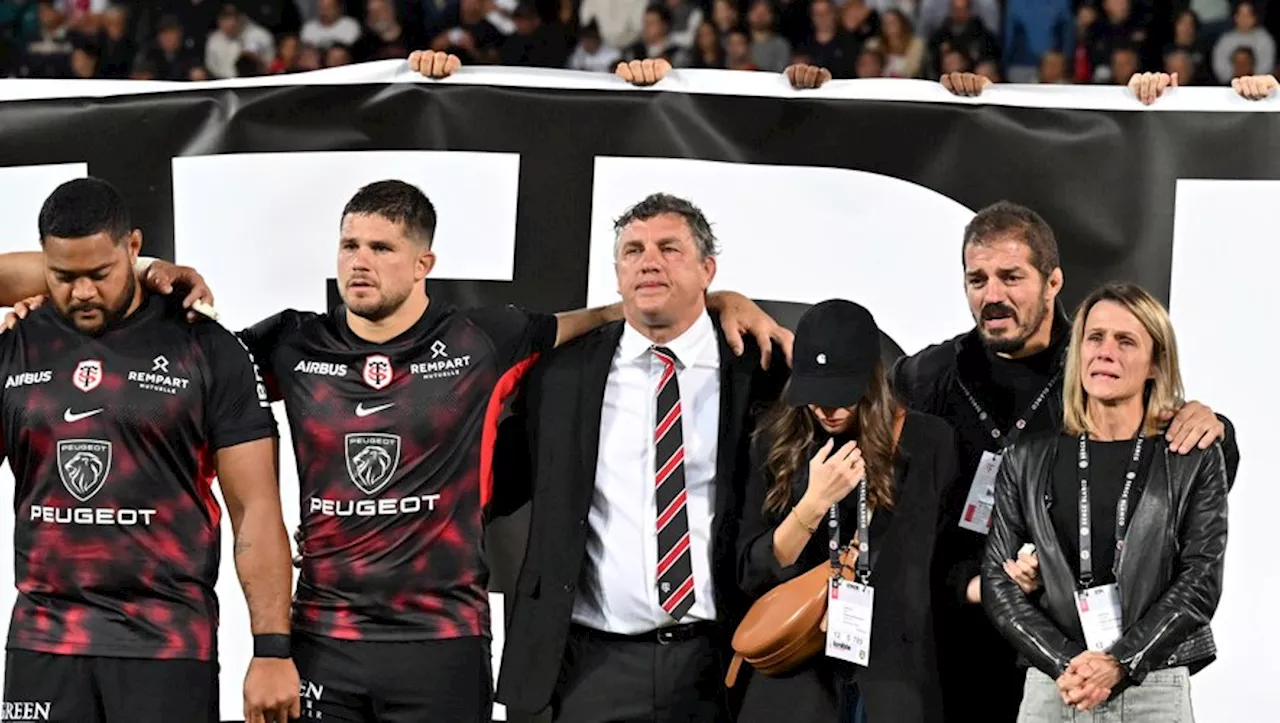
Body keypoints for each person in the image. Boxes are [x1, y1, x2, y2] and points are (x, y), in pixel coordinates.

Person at [2, 178, 788, 722]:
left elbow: (609, 314)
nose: (360, 260)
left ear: (424, 264)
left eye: (381, 246)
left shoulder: (483, 337)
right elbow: (160, 355)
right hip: (323, 639)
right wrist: (138, 270)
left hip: (442, 641)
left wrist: (714, 297)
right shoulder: (286, 344)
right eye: (349, 243)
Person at [888, 202, 1239, 723]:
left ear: (1053, 282)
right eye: (977, 279)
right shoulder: (926, 377)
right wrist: (972, 583)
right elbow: (896, 510)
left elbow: (1185, 489)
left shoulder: (1099, 367)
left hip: (1079, 650)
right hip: (958, 642)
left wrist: (1215, 427)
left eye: (1011, 277)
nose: (993, 296)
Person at [0, 177, 299, 722]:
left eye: (100, 273)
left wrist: (272, 649)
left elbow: (255, 510)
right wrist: (136, 270)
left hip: (166, 645)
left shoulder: (205, 346)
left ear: (133, 246)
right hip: (42, 641)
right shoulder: (17, 343)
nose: (83, 292)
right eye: (64, 277)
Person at [493, 192, 790, 722]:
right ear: (616, 273)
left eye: (669, 248)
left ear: (708, 270)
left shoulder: (762, 370)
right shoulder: (561, 376)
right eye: (632, 251)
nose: (648, 261)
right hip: (587, 666)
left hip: (722, 662)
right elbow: (491, 483)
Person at [983, 281, 1228, 722]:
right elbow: (997, 582)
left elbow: (1202, 579)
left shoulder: (1191, 455)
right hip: (1056, 682)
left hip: (1154, 680)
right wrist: (1065, 662)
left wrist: (1121, 662)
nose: (1105, 351)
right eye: (1094, 338)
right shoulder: (1028, 457)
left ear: (1156, 363)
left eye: (1126, 340)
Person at [735, 299, 958, 723]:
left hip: (894, 680)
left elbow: (943, 564)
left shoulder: (928, 443)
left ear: (871, 380)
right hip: (798, 681)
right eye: (814, 396)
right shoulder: (775, 445)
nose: (827, 410)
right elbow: (751, 573)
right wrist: (813, 505)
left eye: (842, 396)